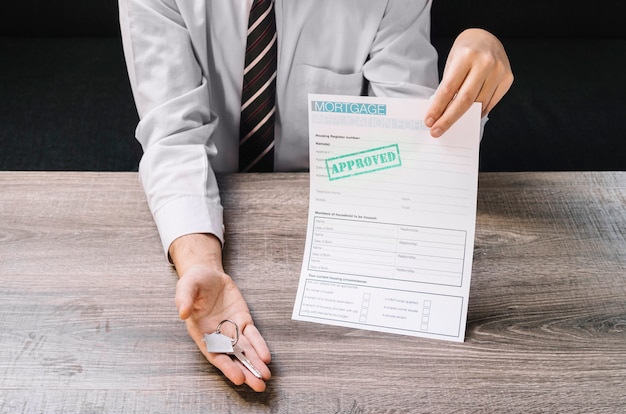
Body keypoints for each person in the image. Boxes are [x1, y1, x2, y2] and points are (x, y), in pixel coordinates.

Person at [118, 0, 513, 392]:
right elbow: (172, 138)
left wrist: (472, 79)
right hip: (218, 206)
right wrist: (199, 263)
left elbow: (409, 148)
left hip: (336, 223)